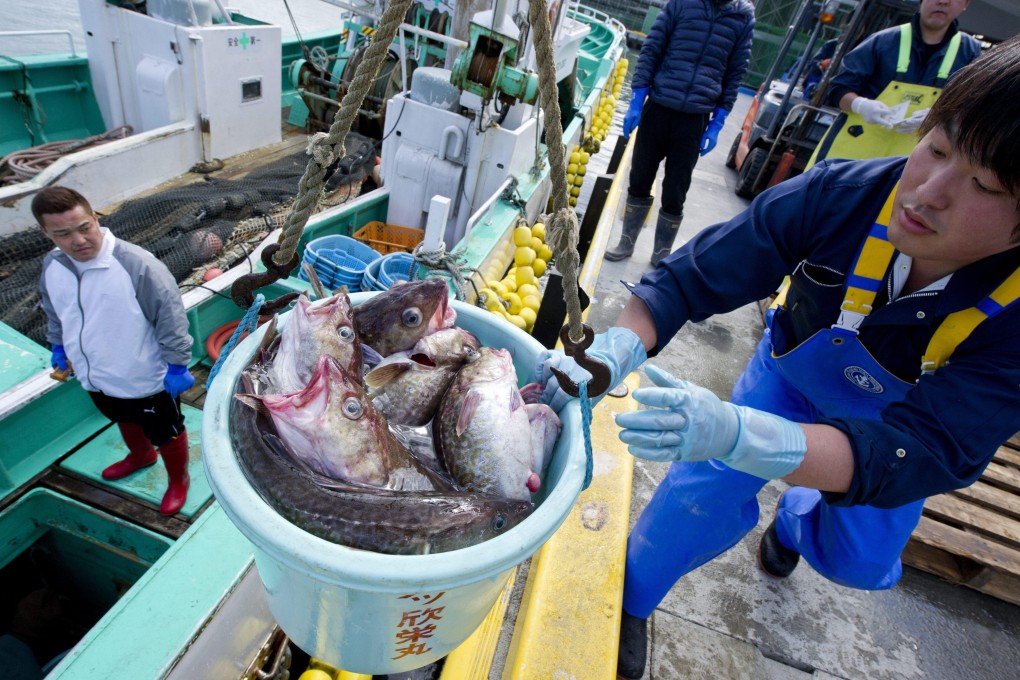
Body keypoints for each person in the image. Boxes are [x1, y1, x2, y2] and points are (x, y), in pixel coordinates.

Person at [536, 36, 1020, 679]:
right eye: (936, 147)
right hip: (790, 377)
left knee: (857, 561)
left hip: (891, 429)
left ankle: (794, 523)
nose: (928, 192)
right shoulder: (842, 195)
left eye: (982, 183)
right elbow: (697, 274)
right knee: (702, 489)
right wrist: (622, 343)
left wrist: (755, 440)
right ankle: (632, 601)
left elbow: (934, 448)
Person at [35, 187, 196, 515]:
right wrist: (58, 345)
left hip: (145, 378)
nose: (78, 241)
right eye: (63, 234)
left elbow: (171, 317)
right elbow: (55, 310)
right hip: (94, 374)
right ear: (45, 233)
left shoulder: (137, 265)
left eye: (84, 227)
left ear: (95, 218)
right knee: (121, 415)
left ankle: (179, 480)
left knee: (166, 430)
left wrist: (178, 365)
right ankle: (141, 456)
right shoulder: (53, 264)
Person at [607, 0, 754, 267]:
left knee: (676, 189)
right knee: (640, 177)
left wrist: (717, 123)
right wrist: (636, 101)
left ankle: (662, 253)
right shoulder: (681, 3)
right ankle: (626, 242)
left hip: (695, 118)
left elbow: (735, 73)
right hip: (659, 107)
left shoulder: (742, 18)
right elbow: (652, 49)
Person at [809, 0, 980, 165]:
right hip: (847, 160)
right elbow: (837, 89)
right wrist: (860, 105)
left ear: (966, 3)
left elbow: (973, 110)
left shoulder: (970, 53)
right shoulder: (882, 41)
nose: (943, 1)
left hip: (908, 169)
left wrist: (939, 119)